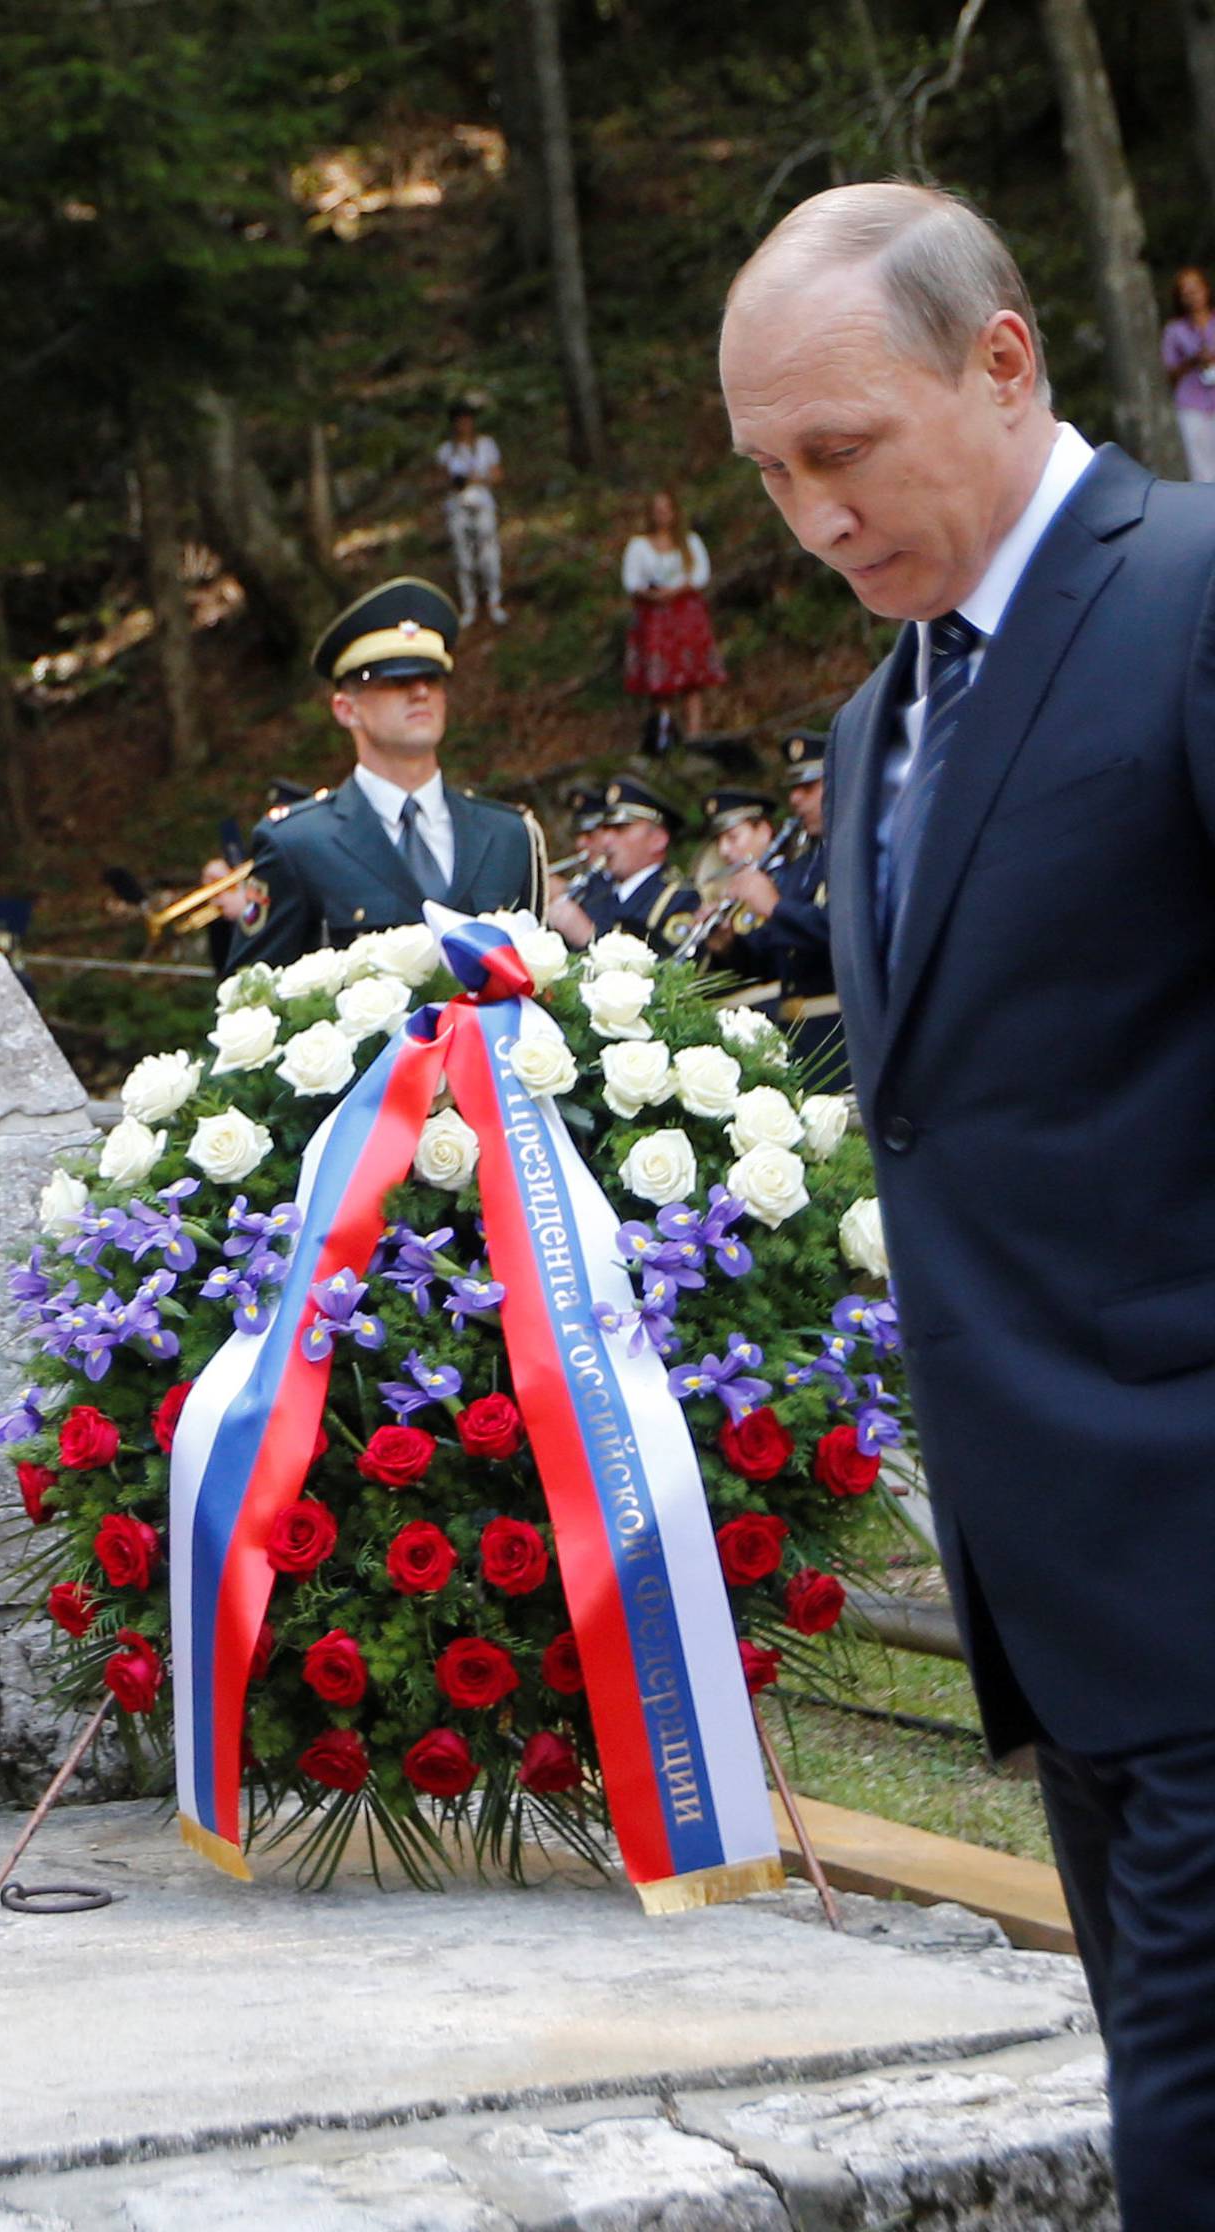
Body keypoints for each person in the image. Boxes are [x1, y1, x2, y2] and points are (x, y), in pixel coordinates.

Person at [721, 179, 1215, 2229]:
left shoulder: (1189, 590)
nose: (814, 517)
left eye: (843, 450)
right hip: (1067, 1605)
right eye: (769, 477)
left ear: (1002, 357)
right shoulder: (879, 711)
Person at [226, 576, 545, 969]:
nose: (420, 693)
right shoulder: (299, 844)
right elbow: (250, 997)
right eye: (396, 680)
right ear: (346, 709)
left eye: (432, 678)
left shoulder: (509, 835)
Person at [707, 740, 845, 1082]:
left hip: (842, 1033)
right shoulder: (802, 864)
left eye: (808, 787)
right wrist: (730, 946)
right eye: (793, 788)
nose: (795, 799)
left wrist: (774, 906)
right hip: (796, 1037)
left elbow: (843, 931)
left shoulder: (853, 852)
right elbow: (777, 957)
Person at [545, 777, 697, 951]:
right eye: (606, 829)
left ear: (657, 839)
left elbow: (672, 967)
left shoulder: (679, 897)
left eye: (621, 829)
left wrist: (589, 937)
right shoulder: (593, 889)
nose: (607, 840)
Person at [621, 491, 726, 744]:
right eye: (657, 510)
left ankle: (694, 735)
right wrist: (652, 594)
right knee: (660, 680)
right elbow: (631, 580)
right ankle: (662, 734)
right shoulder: (639, 545)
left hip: (686, 614)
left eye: (666, 509)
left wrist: (677, 590)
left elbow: (701, 573)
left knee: (692, 678)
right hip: (654, 617)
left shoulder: (689, 542)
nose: (662, 515)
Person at [434, 403, 507, 626]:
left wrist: (477, 479)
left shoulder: (485, 445)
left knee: (489, 555)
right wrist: (456, 481)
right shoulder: (447, 450)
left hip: (482, 504)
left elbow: (497, 475)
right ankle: (469, 604)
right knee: (463, 558)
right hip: (458, 507)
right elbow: (440, 480)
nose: (463, 424)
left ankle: (494, 600)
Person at [1161, 266, 1215, 485]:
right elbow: (1170, 371)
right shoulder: (1175, 330)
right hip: (1192, 404)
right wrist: (1193, 360)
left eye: (1196, 289)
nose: (1192, 296)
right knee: (1202, 468)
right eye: (1186, 292)